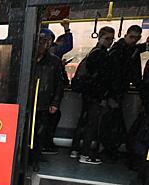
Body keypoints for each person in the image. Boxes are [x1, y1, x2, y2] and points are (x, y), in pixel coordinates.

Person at [103, 25, 149, 162]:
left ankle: (111, 151)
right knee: (113, 125)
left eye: (136, 38)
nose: (133, 40)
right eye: (132, 37)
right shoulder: (119, 51)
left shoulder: (128, 49)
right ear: (126, 35)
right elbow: (114, 75)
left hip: (118, 92)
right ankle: (110, 151)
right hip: (114, 93)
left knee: (115, 125)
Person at [76, 26, 115, 165]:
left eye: (111, 39)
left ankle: (76, 150)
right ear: (100, 38)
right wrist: (102, 97)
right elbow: (101, 79)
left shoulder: (94, 52)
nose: (110, 42)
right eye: (107, 39)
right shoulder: (101, 55)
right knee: (92, 125)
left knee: (84, 122)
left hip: (88, 93)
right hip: (95, 95)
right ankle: (85, 153)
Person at [30, 28, 65, 172]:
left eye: (44, 42)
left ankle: (35, 159)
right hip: (27, 103)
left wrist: (55, 102)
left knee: (39, 134)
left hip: (43, 103)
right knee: (25, 133)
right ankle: (24, 158)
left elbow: (59, 84)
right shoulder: (28, 58)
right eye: (38, 41)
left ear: (49, 44)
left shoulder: (54, 62)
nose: (41, 45)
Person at [42, 19, 74, 154]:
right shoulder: (54, 53)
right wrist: (67, 29)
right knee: (48, 119)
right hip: (46, 93)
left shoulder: (50, 56)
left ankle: (44, 143)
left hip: (45, 92)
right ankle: (46, 143)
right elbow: (68, 45)